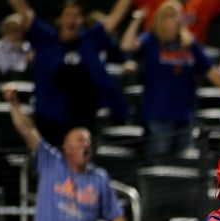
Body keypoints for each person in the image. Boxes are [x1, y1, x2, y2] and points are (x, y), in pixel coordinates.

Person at [4, 84, 133, 221]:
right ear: (67, 148)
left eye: (88, 141)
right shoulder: (50, 162)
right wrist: (14, 104)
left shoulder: (99, 178)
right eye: (81, 141)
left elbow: (116, 217)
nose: (86, 145)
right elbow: (27, 130)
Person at [120, 1, 220, 158]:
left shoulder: (189, 44)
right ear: (161, 20)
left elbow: (210, 71)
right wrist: (137, 20)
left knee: (184, 165)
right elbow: (126, 45)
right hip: (159, 115)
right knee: (159, 162)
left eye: (179, 15)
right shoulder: (151, 40)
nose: (177, 20)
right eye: (171, 16)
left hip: (185, 115)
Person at [7, 0, 131, 146]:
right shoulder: (44, 38)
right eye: (67, 15)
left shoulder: (91, 39)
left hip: (83, 119)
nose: (72, 19)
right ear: (58, 20)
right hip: (50, 118)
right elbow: (23, 9)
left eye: (77, 15)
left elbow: (116, 15)